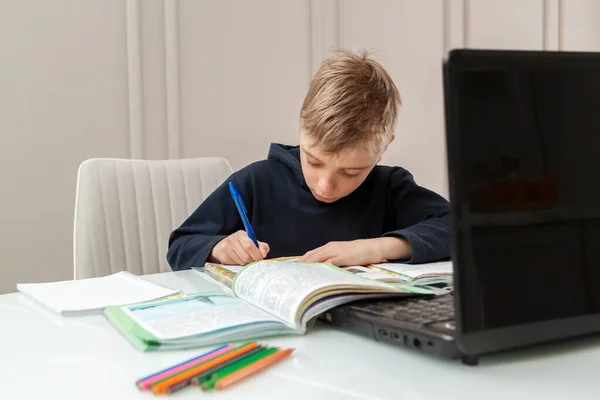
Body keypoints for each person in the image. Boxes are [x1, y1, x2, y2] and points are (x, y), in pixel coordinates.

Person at [167, 49, 450, 271]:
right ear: (302, 128)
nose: (325, 186)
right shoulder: (256, 182)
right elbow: (181, 245)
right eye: (314, 161)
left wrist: (378, 248)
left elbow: (458, 229)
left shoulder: (389, 188)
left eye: (351, 172)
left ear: (384, 148)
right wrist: (219, 247)